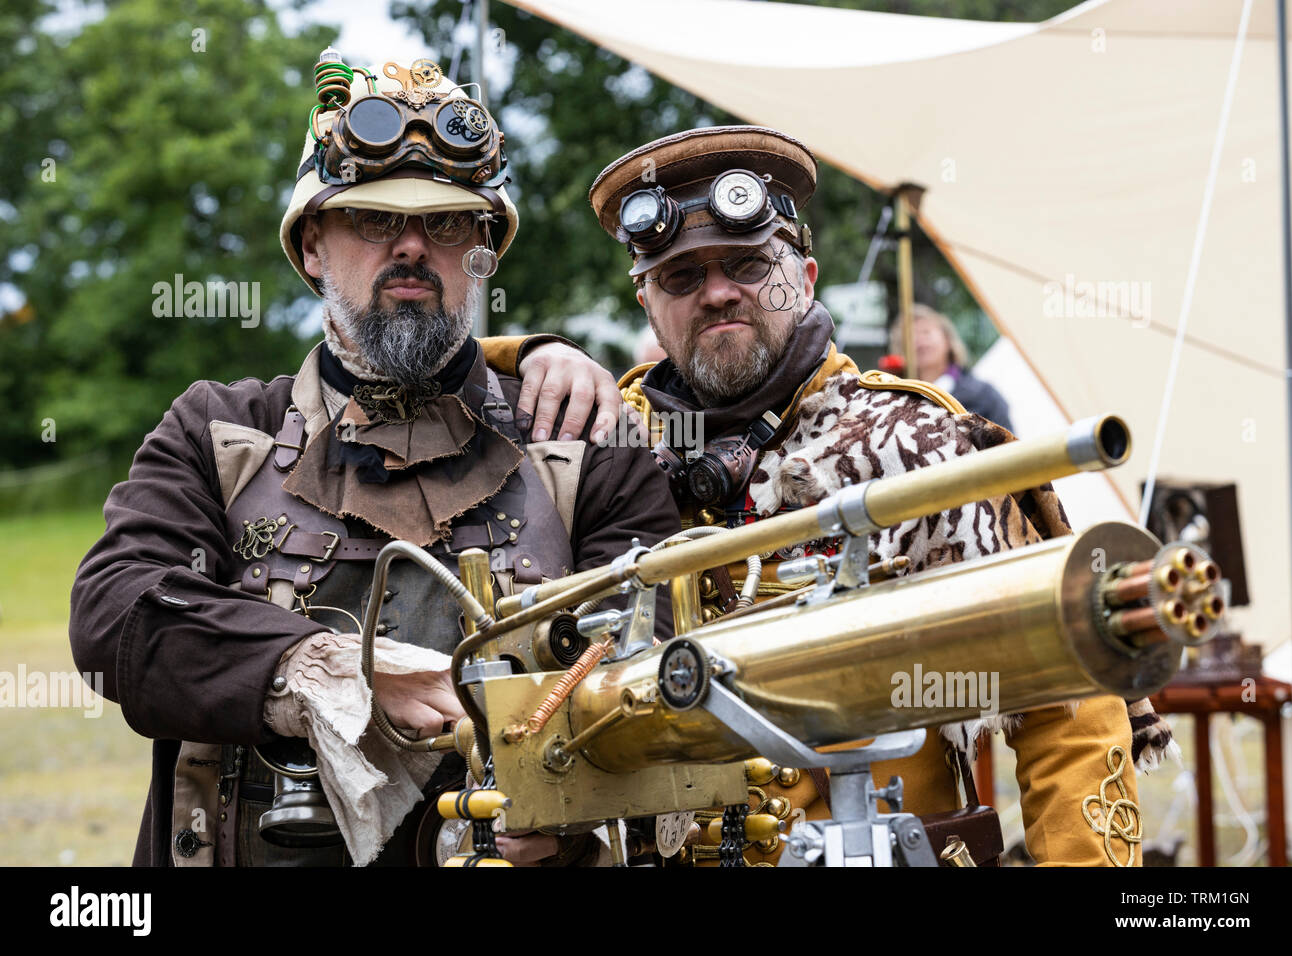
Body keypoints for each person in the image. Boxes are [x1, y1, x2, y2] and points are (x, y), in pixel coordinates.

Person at [68, 53, 678, 867]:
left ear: (484, 251)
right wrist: (322, 671)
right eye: (375, 220)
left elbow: (657, 667)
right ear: (312, 245)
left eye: (450, 223)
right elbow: (116, 615)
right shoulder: (219, 429)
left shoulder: (585, 440)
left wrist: (578, 814)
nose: (414, 246)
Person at [590, 125, 1175, 866]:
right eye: (680, 277)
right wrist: (527, 350)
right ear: (647, 302)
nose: (717, 292)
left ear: (801, 279)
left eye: (747, 264)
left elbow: (1067, 709)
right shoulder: (606, 452)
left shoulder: (919, 445)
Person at [889, 303, 1013, 431]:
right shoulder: (897, 401)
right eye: (910, 336)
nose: (919, 340)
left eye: (926, 332)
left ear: (948, 340)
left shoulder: (984, 395)